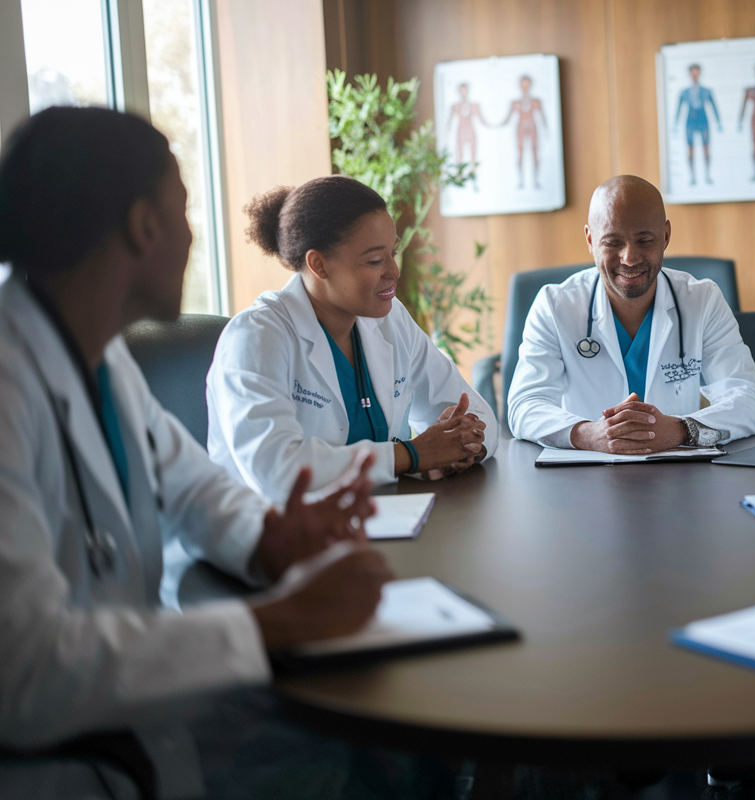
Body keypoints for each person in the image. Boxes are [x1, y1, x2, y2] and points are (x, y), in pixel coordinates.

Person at [0, 107, 439, 798]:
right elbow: (22, 671)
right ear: (144, 226)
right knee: (364, 753)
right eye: (182, 212)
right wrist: (281, 618)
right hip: (59, 761)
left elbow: (198, 489)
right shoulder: (9, 390)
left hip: (136, 702)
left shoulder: (100, 361)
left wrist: (272, 539)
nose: (191, 235)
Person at [206, 175, 496, 506]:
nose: (394, 271)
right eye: (374, 260)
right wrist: (412, 455)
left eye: (393, 253)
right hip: (274, 538)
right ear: (319, 265)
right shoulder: (257, 336)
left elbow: (468, 407)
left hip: (377, 520)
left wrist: (463, 446)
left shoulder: (390, 319)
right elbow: (278, 471)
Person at [507, 175, 755, 453]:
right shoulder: (555, 306)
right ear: (590, 239)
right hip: (585, 473)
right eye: (612, 242)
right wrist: (588, 434)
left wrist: (681, 430)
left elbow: (751, 401)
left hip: (680, 475)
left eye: (644, 240)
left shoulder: (702, 300)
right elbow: (525, 404)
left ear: (665, 236)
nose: (629, 258)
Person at [673, 64, 722, 186]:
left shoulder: (706, 91)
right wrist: (675, 124)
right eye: (693, 72)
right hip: (690, 120)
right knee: (690, 149)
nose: (695, 74)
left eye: (697, 72)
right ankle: (692, 177)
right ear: (690, 74)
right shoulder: (684, 92)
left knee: (706, 148)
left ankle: (707, 175)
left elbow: (714, 106)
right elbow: (679, 109)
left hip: (703, 119)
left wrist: (718, 122)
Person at [497, 75, 548, 190]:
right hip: (520, 129)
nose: (525, 87)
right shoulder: (515, 102)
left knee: (535, 153)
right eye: (523, 84)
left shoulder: (536, 101)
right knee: (520, 154)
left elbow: (542, 116)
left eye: (527, 84)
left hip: (533, 128)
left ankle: (536, 180)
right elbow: (508, 117)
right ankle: (521, 180)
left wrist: (546, 130)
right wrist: (496, 125)